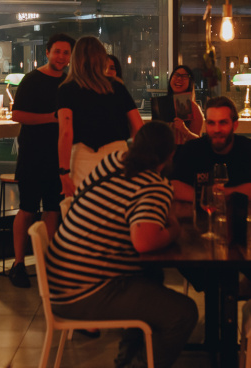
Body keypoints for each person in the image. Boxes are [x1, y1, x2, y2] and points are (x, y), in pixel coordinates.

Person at [46, 121, 198, 368]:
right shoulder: (153, 186)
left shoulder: (112, 162)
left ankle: (127, 361)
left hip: (58, 282)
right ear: (171, 155)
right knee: (184, 313)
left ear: (135, 143)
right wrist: (174, 230)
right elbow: (144, 243)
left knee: (151, 276)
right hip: (84, 292)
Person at [7, 33, 75, 288]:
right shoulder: (32, 79)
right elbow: (17, 115)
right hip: (33, 154)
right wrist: (52, 117)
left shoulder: (70, 83)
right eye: (57, 51)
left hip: (60, 157)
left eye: (66, 53)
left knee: (53, 210)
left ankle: (47, 264)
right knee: (26, 208)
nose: (61, 57)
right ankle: (18, 264)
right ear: (47, 52)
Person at [57, 36, 143, 196]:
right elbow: (139, 127)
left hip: (83, 157)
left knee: (83, 207)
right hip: (118, 155)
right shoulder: (117, 86)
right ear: (102, 58)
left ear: (75, 59)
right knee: (116, 207)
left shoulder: (67, 89)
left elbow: (66, 132)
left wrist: (63, 172)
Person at [171, 96, 251, 203]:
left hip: (242, 212)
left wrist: (222, 193)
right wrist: (215, 197)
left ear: (235, 125)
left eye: (223, 122)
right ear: (206, 125)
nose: (217, 129)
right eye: (211, 123)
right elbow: (175, 187)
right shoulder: (191, 149)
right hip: (201, 212)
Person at [151, 64, 204, 144]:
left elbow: (198, 141)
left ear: (190, 82)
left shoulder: (194, 108)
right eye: (176, 75)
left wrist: (184, 130)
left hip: (183, 150)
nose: (179, 78)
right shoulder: (162, 104)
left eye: (184, 76)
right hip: (163, 150)